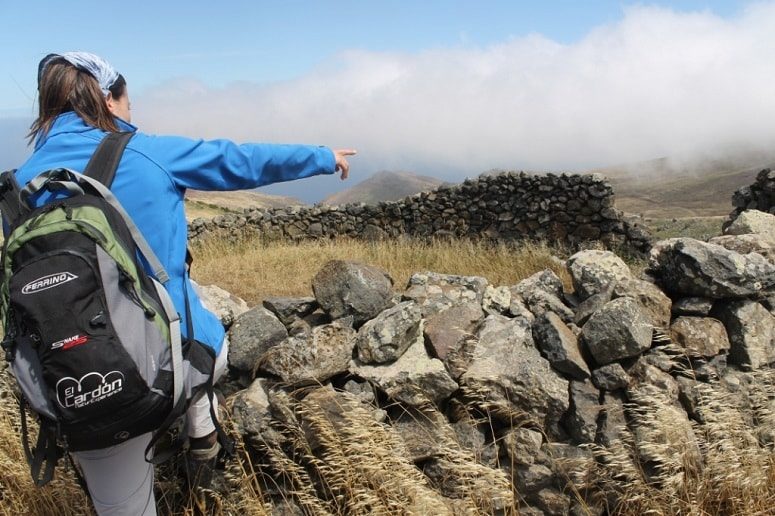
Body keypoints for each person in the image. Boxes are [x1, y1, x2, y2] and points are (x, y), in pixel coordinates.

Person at [12, 51, 355, 515]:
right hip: (169, 360)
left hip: (74, 373)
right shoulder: (145, 151)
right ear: (109, 101)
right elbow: (237, 160)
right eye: (128, 102)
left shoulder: (21, 183)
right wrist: (323, 157)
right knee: (206, 343)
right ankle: (202, 439)